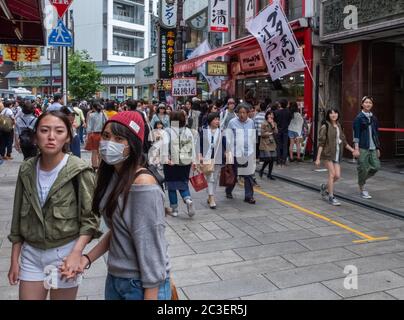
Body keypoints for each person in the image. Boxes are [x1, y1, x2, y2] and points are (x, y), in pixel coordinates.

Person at [64, 111, 171, 300]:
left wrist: (151, 294)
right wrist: (87, 258)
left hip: (141, 285)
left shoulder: (143, 184)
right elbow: (119, 230)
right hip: (116, 279)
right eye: (106, 136)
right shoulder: (113, 175)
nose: (108, 142)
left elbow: (151, 245)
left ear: (133, 145)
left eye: (119, 138)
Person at [7, 111, 101, 300]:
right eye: (44, 130)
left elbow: (90, 219)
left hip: (64, 255)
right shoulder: (26, 169)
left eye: (59, 131)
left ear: (67, 137)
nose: (51, 137)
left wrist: (77, 253)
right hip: (31, 255)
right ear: (35, 136)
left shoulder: (79, 170)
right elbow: (17, 216)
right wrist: (14, 259)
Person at [316, 109, 358, 206]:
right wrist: (318, 158)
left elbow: (343, 141)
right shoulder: (325, 126)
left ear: (338, 114)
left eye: (335, 113)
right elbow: (321, 143)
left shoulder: (339, 125)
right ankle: (331, 196)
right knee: (332, 174)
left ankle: (324, 187)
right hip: (328, 154)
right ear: (328, 115)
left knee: (337, 176)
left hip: (337, 155)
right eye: (331, 113)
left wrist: (353, 151)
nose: (333, 115)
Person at [162, 111, 196, 217]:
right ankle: (188, 200)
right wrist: (194, 161)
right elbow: (192, 147)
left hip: (171, 162)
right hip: (185, 162)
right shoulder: (188, 131)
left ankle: (175, 210)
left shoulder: (167, 131)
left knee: (172, 187)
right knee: (183, 184)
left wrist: (166, 158)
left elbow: (164, 146)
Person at [225, 103, 256, 204]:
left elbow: (252, 137)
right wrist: (227, 151)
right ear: (237, 113)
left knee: (249, 175)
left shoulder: (251, 122)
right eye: (240, 112)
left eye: (244, 113)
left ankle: (249, 196)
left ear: (248, 113)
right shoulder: (232, 122)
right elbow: (228, 137)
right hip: (235, 153)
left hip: (248, 152)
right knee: (233, 174)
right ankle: (228, 190)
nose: (242, 115)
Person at [353, 96, 381, 199]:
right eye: (366, 102)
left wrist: (378, 148)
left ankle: (361, 179)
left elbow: (376, 134)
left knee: (376, 166)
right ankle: (362, 189)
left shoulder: (374, 118)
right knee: (363, 168)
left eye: (370, 103)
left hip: (373, 147)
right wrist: (356, 148)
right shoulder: (359, 118)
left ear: (372, 105)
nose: (368, 104)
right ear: (362, 104)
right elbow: (356, 134)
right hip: (362, 147)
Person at [199, 112, 226, 209]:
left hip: (218, 158)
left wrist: (227, 153)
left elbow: (225, 144)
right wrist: (200, 155)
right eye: (215, 119)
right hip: (207, 157)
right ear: (210, 121)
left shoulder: (221, 131)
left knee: (215, 178)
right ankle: (212, 197)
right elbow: (200, 144)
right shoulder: (204, 131)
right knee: (210, 178)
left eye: (218, 119)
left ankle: (211, 196)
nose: (217, 121)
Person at [85, 102, 107, 170]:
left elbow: (89, 126)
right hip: (102, 134)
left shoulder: (91, 115)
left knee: (94, 151)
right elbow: (107, 121)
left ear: (93, 108)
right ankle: (101, 165)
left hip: (94, 134)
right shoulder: (103, 114)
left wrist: (87, 135)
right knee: (100, 151)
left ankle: (94, 166)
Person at [259, 110, 278, 180]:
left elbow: (276, 132)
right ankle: (262, 170)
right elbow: (262, 134)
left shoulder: (274, 123)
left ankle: (269, 174)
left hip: (272, 143)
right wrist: (269, 133)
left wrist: (273, 125)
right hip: (265, 143)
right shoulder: (264, 123)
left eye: (272, 115)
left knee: (272, 159)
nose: (271, 116)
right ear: (267, 115)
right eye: (270, 114)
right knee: (268, 158)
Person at [274, 99, 292, 166]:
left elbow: (275, 120)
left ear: (280, 104)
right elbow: (289, 120)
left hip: (278, 130)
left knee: (278, 145)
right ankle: (284, 160)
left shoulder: (276, 112)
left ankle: (278, 160)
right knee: (285, 145)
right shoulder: (288, 112)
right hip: (285, 130)